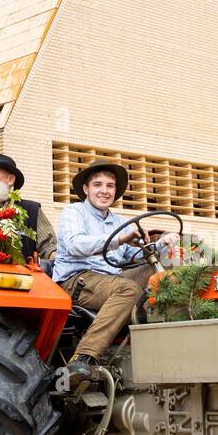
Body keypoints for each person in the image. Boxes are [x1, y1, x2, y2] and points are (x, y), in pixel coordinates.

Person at [55, 161, 179, 387]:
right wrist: (118, 239)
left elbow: (134, 254)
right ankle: (82, 357)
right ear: (86, 189)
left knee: (168, 268)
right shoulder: (74, 212)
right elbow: (75, 245)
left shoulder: (119, 221)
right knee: (128, 289)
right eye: (98, 185)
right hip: (77, 279)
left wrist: (162, 244)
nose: (104, 190)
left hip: (111, 278)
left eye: (110, 186)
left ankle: (174, 339)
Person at [0, 153, 57, 265]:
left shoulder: (32, 210)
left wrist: (61, 259)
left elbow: (49, 247)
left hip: (23, 278)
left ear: (10, 179)